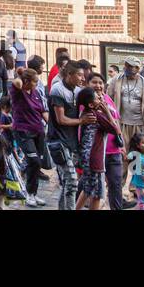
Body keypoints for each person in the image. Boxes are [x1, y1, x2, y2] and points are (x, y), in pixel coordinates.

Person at [48, 61, 91, 210]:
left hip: (71, 141)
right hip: (58, 141)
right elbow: (61, 119)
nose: (82, 78)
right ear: (69, 74)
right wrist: (81, 121)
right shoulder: (57, 90)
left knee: (68, 182)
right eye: (79, 75)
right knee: (72, 181)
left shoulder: (78, 90)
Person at [86, 70, 129, 210]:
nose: (98, 85)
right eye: (94, 82)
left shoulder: (108, 99)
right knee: (89, 184)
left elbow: (116, 121)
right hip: (98, 150)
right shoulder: (87, 102)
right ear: (88, 84)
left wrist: (121, 142)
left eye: (100, 83)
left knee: (116, 183)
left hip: (114, 149)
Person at [9, 66, 49, 207]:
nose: (37, 83)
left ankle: (33, 193)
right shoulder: (17, 92)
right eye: (34, 81)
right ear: (27, 81)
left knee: (37, 164)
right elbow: (17, 83)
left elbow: (43, 111)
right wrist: (20, 74)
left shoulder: (36, 92)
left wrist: (51, 126)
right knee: (34, 161)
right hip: (23, 131)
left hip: (38, 132)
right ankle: (28, 192)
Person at [75, 85, 119, 210]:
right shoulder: (96, 116)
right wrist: (106, 112)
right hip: (95, 159)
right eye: (97, 98)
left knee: (87, 189)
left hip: (86, 158)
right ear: (91, 104)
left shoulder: (87, 113)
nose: (100, 99)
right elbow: (116, 130)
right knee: (97, 194)